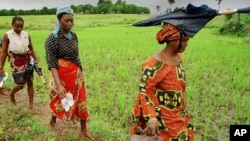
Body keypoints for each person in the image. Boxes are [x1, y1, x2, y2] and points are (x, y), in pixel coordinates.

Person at [130, 24, 195, 141]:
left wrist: (183, 96)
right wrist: (152, 118)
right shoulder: (154, 65)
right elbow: (144, 92)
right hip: (162, 117)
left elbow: (180, 81)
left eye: (187, 40)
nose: (186, 44)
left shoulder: (178, 57)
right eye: (184, 40)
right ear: (171, 40)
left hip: (177, 111)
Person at [45, 6, 95, 140]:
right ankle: (52, 121)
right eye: (66, 20)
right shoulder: (52, 39)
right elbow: (52, 63)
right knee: (60, 99)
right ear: (59, 20)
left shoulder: (74, 36)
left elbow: (76, 56)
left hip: (75, 74)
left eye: (71, 20)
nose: (70, 23)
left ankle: (84, 129)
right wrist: (59, 85)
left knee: (81, 99)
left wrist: (80, 71)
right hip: (60, 76)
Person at [0, 16, 39, 109]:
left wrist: (35, 58)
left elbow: (31, 47)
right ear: (12, 25)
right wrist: (1, 66)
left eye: (21, 26)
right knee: (20, 84)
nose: (19, 28)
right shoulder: (7, 35)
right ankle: (12, 94)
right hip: (16, 61)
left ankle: (31, 104)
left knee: (30, 82)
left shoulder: (26, 34)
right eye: (17, 26)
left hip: (27, 59)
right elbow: (4, 51)